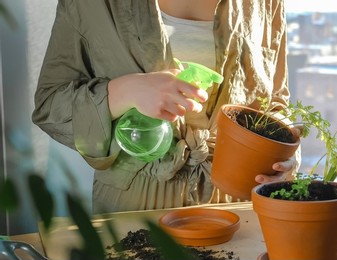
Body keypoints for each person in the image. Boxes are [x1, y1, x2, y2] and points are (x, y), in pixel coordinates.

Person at [32, 0, 299, 213]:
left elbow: (274, 103)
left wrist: (283, 161)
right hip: (133, 204)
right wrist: (125, 91)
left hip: (239, 206)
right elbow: (49, 105)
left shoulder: (267, 4)